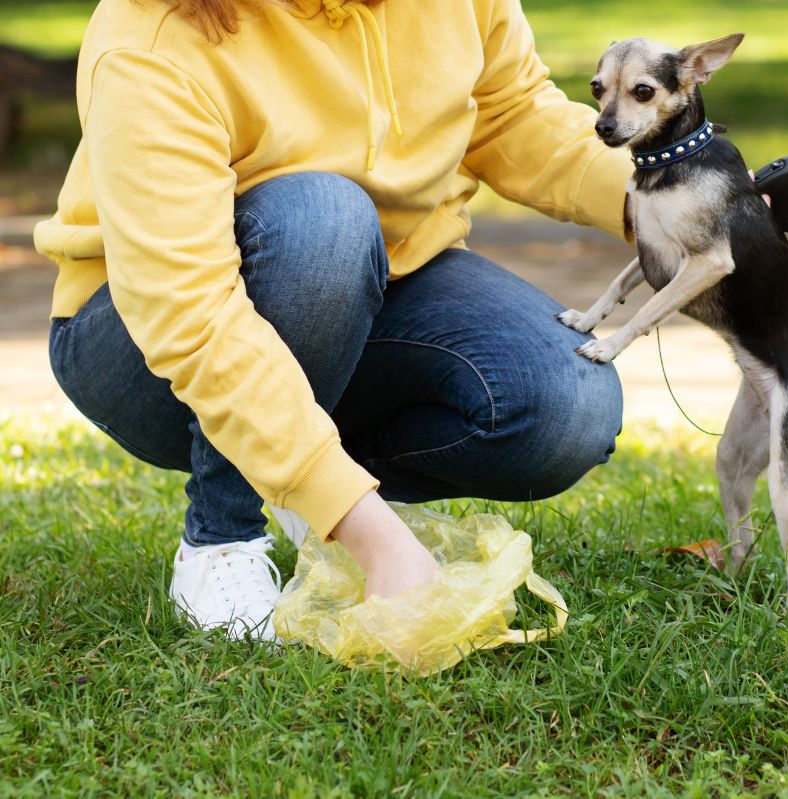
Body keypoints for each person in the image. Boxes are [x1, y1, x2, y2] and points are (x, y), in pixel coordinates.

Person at [34, 0, 631, 640]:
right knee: (325, 222)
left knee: (568, 408)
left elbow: (511, 114)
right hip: (140, 339)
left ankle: (307, 476)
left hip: (384, 285)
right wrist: (377, 541)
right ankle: (220, 541)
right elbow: (188, 309)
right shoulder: (149, 34)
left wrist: (679, 204)